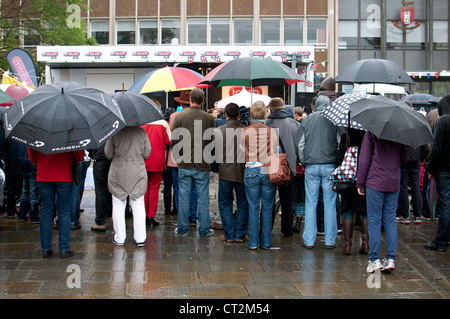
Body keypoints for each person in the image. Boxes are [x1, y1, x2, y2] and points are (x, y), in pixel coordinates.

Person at [357, 131, 408, 273]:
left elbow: (365, 159)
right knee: (390, 220)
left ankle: (374, 260)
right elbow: (405, 157)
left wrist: (360, 182)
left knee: (374, 220)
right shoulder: (399, 132)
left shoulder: (372, 132)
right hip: (393, 181)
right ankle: (390, 258)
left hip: (375, 181)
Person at [171, 88, 216, 237]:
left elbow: (174, 139)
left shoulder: (180, 117)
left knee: (183, 196)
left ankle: (182, 228)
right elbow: (212, 140)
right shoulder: (208, 118)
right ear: (202, 101)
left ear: (190, 100)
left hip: (184, 162)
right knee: (203, 196)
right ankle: (203, 229)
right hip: (202, 162)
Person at [297, 95, 340, 249]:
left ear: (315, 105)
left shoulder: (307, 120)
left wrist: (303, 160)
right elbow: (339, 142)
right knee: (330, 204)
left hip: (311, 166)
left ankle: (309, 239)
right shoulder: (334, 119)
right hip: (329, 165)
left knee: (311, 203)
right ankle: (330, 240)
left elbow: (301, 144)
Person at [28, 149, 84, 258]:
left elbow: (33, 159)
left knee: (46, 211)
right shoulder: (69, 132)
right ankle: (64, 248)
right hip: (64, 174)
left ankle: (46, 249)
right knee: (64, 211)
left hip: (44, 174)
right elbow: (78, 156)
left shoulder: (38, 132)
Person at [240, 101, 278, 250]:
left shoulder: (245, 131)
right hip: (267, 170)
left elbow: (242, 149)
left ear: (251, 115)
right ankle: (266, 242)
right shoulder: (271, 131)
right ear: (265, 114)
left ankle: (253, 243)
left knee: (253, 206)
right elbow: (274, 150)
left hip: (251, 170)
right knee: (268, 207)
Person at [105, 126, 151, 247]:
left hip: (118, 171)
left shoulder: (114, 132)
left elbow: (108, 154)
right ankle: (140, 237)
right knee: (138, 203)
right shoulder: (141, 132)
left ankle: (120, 237)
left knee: (118, 204)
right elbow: (147, 153)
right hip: (137, 170)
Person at [266, 97, 301, 237]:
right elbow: (299, 146)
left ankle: (266, 229)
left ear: (271, 109)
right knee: (287, 202)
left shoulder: (266, 124)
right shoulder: (294, 124)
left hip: (269, 168)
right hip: (289, 168)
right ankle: (286, 229)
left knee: (268, 201)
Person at [215, 103, 248, 243]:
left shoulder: (219, 130)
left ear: (226, 114)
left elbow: (213, 152)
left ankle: (229, 234)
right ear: (239, 115)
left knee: (224, 203)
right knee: (242, 203)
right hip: (242, 171)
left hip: (225, 171)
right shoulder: (246, 131)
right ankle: (240, 235)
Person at [168, 91, 198, 226]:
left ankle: (183, 216)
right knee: (193, 187)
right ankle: (192, 215)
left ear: (180, 102)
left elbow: (170, 137)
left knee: (179, 187)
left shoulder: (174, 116)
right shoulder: (198, 116)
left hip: (176, 157)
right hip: (194, 156)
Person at [424, 93, 450, 252]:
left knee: (445, 205)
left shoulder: (443, 121)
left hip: (444, 170)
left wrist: (430, 167)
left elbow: (436, 148)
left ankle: (441, 241)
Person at [336, 128, 368, 255]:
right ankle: (365, 244)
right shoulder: (368, 135)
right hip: (364, 177)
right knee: (366, 210)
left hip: (348, 178)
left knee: (348, 210)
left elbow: (339, 157)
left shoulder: (346, 136)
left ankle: (347, 246)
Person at [141, 106, 171, 227]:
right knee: (154, 188)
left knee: (144, 189)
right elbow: (169, 141)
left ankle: (142, 214)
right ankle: (150, 216)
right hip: (157, 160)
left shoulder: (141, 123)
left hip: (143, 160)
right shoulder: (163, 123)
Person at [397, 144, 428, 224]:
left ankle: (405, 216)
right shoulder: (420, 131)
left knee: (403, 187)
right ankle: (417, 215)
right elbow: (424, 147)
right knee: (415, 187)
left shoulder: (401, 132)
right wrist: (420, 158)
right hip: (416, 160)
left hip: (403, 160)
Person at [89, 145, 112, 232]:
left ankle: (100, 221)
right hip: (111, 159)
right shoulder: (112, 131)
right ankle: (109, 210)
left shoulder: (96, 131)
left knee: (100, 191)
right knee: (110, 188)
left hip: (99, 158)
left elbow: (89, 146)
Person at [17, 144, 39, 223]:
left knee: (25, 190)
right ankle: (33, 215)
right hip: (32, 163)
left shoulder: (23, 138)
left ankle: (22, 214)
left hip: (23, 162)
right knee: (33, 191)